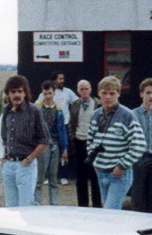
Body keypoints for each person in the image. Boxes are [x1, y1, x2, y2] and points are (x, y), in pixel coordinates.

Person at [86, 76, 145, 210]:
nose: (108, 97)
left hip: (119, 174)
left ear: (118, 93)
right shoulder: (96, 115)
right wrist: (95, 162)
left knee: (109, 211)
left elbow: (139, 145)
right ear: (99, 93)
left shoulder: (127, 115)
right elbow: (90, 141)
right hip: (101, 172)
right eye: (104, 93)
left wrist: (122, 165)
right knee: (111, 215)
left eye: (112, 93)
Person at [0, 75, 49, 207]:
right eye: (13, 92)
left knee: (26, 207)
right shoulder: (7, 111)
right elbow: (4, 137)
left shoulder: (34, 111)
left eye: (20, 91)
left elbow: (45, 140)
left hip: (25, 166)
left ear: (25, 92)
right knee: (10, 207)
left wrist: (29, 159)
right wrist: (4, 159)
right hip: (9, 165)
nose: (17, 95)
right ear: (8, 94)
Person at [131, 78, 152, 213]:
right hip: (140, 157)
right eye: (148, 93)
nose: (151, 96)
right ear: (141, 94)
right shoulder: (134, 114)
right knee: (138, 197)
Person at [34, 80, 68, 206]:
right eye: (45, 93)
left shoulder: (59, 109)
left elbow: (63, 129)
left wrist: (64, 148)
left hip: (55, 144)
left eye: (49, 93)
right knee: (40, 177)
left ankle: (54, 205)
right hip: (42, 145)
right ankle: (36, 204)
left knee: (53, 178)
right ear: (42, 94)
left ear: (54, 93)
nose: (47, 96)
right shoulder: (37, 108)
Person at [67, 79, 101, 207]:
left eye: (86, 89)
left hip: (93, 145)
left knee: (95, 177)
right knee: (81, 177)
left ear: (90, 90)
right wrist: (73, 138)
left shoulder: (98, 104)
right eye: (81, 89)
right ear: (78, 91)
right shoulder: (75, 104)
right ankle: (83, 206)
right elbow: (70, 124)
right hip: (79, 143)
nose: (84, 91)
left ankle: (97, 206)